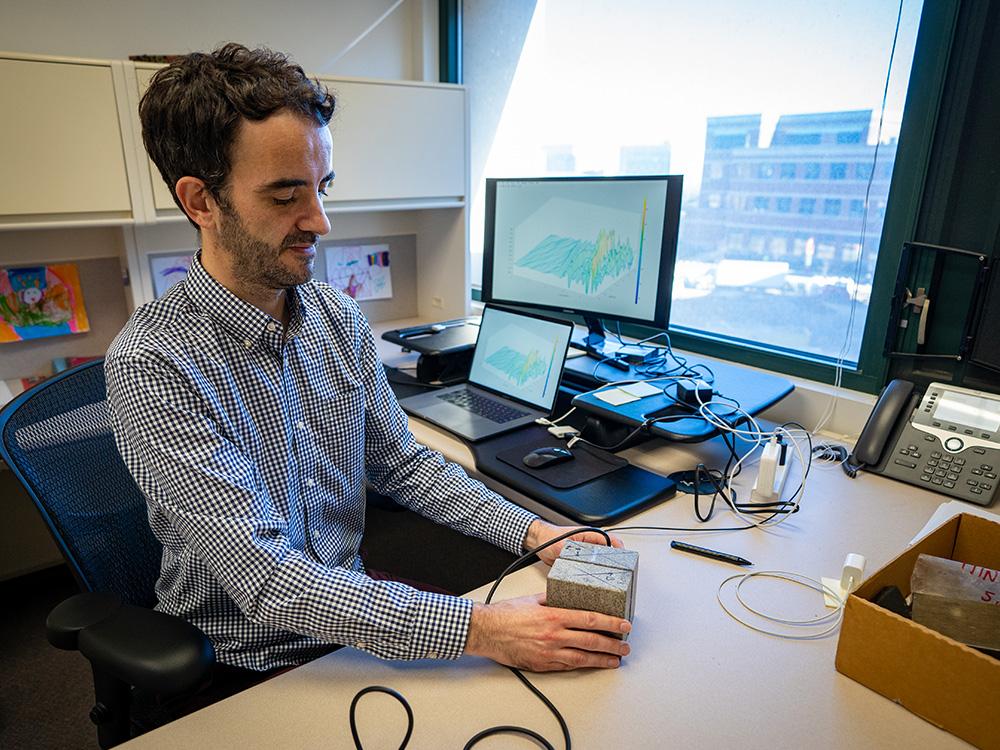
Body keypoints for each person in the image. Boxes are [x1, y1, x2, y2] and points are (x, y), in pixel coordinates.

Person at [105, 43, 631, 685]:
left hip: (351, 626)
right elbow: (270, 581)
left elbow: (403, 465)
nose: (320, 221)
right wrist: (486, 630)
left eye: (322, 188)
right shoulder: (152, 363)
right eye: (284, 197)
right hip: (242, 663)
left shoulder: (337, 319)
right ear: (201, 202)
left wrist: (534, 533)